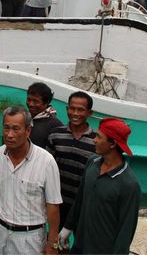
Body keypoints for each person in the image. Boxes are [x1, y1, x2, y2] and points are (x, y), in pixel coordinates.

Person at [0, 106, 62, 255]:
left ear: (28, 131)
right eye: (6, 128)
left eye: (16, 129)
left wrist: (52, 243)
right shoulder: (0, 153)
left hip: (29, 238)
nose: (9, 134)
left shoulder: (46, 162)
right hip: (0, 231)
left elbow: (53, 205)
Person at [58, 118, 141, 255]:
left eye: (98, 136)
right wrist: (67, 227)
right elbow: (80, 199)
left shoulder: (129, 184)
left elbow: (126, 229)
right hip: (79, 245)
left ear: (113, 144)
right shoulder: (92, 163)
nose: (94, 140)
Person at [46, 91, 97, 230]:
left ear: (89, 113)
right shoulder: (55, 134)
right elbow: (46, 169)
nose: (75, 113)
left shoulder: (97, 140)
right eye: (72, 108)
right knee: (54, 241)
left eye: (81, 110)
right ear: (67, 109)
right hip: (56, 202)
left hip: (83, 206)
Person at [26, 82, 63, 148]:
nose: (31, 104)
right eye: (29, 99)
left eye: (35, 101)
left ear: (46, 102)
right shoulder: (24, 118)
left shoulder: (55, 125)